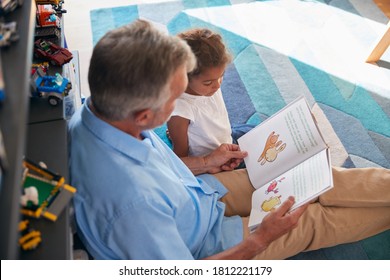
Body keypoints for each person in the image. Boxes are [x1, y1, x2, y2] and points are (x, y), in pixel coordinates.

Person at [68, 19, 390, 260]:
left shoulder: (95, 112)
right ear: (143, 116)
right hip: (212, 241)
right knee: (310, 219)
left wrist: (208, 161)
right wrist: (260, 239)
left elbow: (165, 167)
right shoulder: (134, 209)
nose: (181, 103)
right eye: (176, 98)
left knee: (311, 175)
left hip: (202, 193)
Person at [167, 28, 253, 160]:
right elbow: (181, 157)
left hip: (227, 137)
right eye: (208, 82)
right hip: (213, 158)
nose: (217, 85)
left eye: (221, 76)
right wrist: (177, 135)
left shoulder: (210, 83)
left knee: (264, 132)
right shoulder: (180, 109)